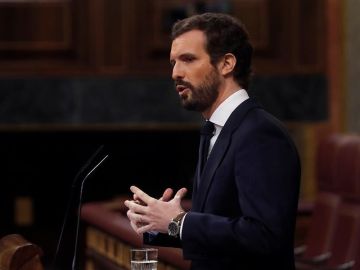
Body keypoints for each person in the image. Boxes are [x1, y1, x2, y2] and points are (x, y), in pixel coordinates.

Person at [124, 12, 300, 269]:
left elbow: (266, 236)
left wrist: (180, 222)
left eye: (188, 59)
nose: (175, 73)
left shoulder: (260, 134)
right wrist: (156, 222)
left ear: (226, 64)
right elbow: (219, 230)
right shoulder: (214, 130)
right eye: (173, 62)